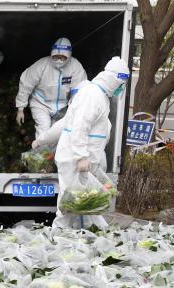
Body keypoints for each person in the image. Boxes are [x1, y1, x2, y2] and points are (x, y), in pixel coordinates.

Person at [52, 57, 130, 229]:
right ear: (114, 79)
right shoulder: (92, 95)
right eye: (121, 83)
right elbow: (80, 127)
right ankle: (58, 235)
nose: (121, 88)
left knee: (86, 202)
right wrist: (81, 156)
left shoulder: (100, 96)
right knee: (70, 202)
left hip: (83, 161)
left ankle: (91, 233)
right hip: (74, 159)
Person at [15, 37, 87, 137]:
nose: (59, 60)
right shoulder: (41, 65)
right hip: (40, 103)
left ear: (69, 56)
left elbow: (80, 89)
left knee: (58, 134)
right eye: (55, 57)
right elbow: (26, 84)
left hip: (62, 106)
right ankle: (40, 147)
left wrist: (75, 108)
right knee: (43, 130)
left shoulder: (75, 66)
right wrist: (20, 108)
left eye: (63, 57)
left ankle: (51, 148)